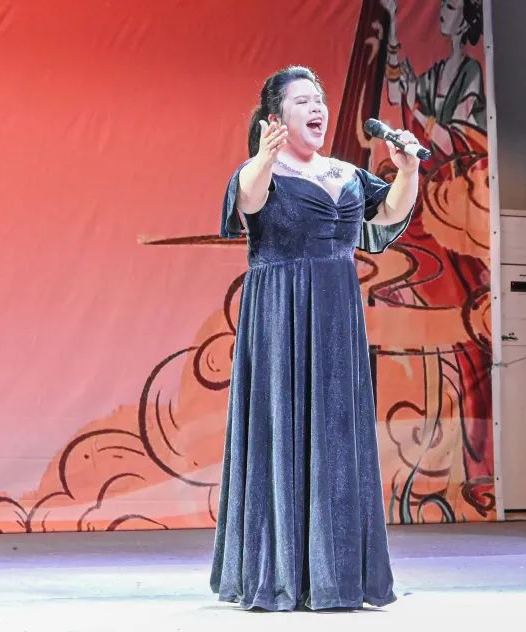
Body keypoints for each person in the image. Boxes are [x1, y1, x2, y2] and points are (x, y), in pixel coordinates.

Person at [210, 65, 420, 611]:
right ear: (276, 117)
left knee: (337, 436)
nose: (317, 108)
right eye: (302, 100)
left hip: (336, 316)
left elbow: (390, 212)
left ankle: (337, 574)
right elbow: (248, 202)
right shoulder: (261, 172)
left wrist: (408, 170)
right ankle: (281, 572)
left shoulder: (346, 173)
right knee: (282, 430)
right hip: (280, 315)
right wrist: (263, 155)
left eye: (319, 100)